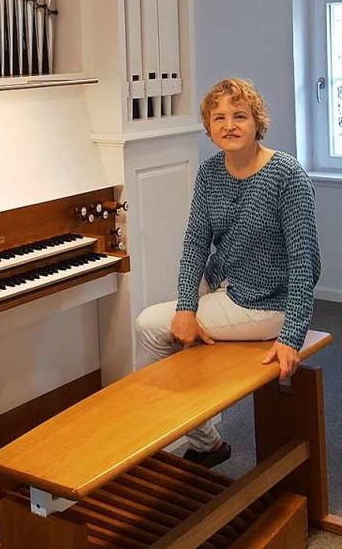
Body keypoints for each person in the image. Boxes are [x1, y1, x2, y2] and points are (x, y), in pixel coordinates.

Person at [135, 77, 320, 468]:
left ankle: (202, 440)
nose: (229, 125)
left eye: (240, 115)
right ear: (209, 128)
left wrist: (291, 337)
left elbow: (306, 263)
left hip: (269, 303)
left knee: (149, 325)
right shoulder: (209, 174)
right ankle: (196, 427)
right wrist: (186, 307)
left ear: (257, 122)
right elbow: (194, 246)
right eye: (219, 117)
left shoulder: (286, 175)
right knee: (173, 318)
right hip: (227, 280)